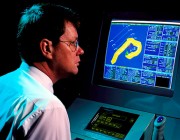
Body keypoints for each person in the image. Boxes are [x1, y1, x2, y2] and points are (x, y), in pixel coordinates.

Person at [0, 2, 84, 140]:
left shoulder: (4, 82)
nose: (80, 51)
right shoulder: (48, 108)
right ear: (47, 48)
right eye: (73, 43)